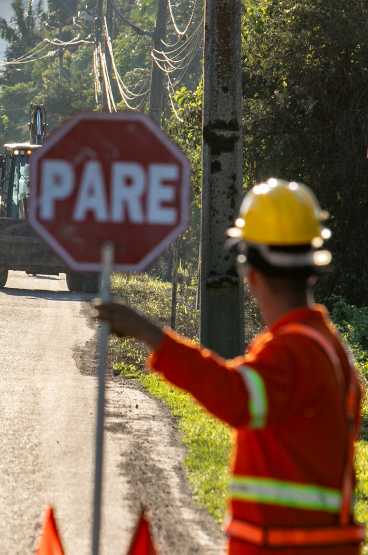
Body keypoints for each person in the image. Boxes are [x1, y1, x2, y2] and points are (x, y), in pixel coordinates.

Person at [94, 179, 364, 553]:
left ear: (250, 272)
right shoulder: (327, 347)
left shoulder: (293, 351)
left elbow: (234, 395)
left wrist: (153, 336)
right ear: (312, 269)